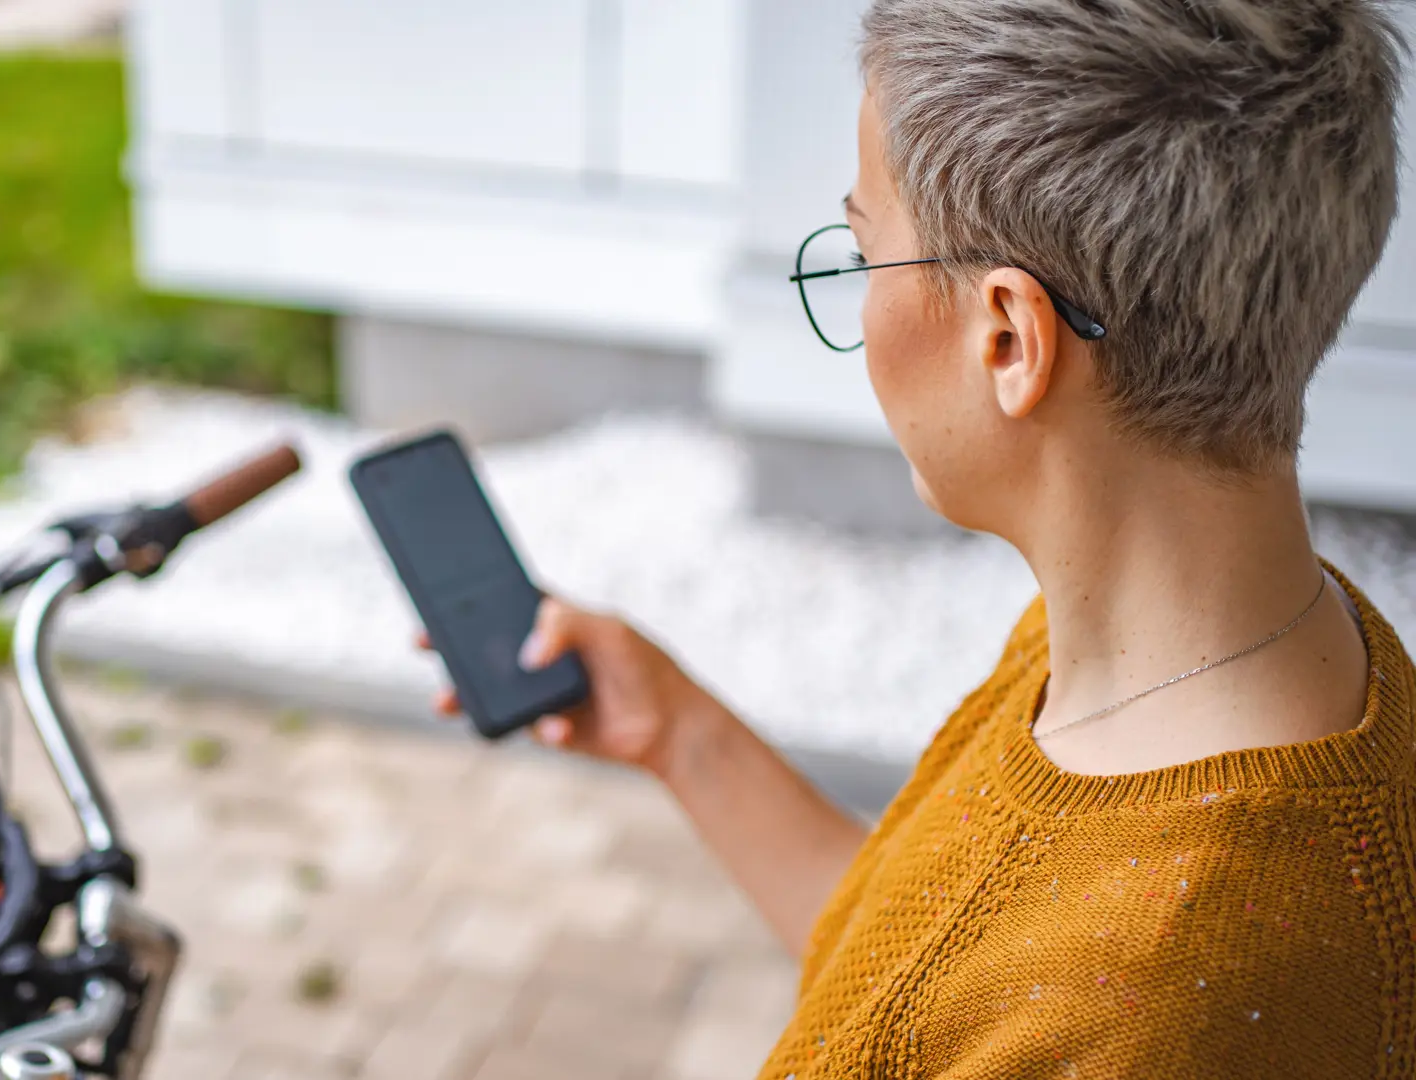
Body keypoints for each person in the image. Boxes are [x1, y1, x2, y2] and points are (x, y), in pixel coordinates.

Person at [420, 1, 1414, 1075]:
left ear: (1006, 339)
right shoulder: (1205, 661)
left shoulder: (1149, 1004)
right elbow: (926, 983)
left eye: (861, 253)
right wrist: (676, 731)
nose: (856, 304)